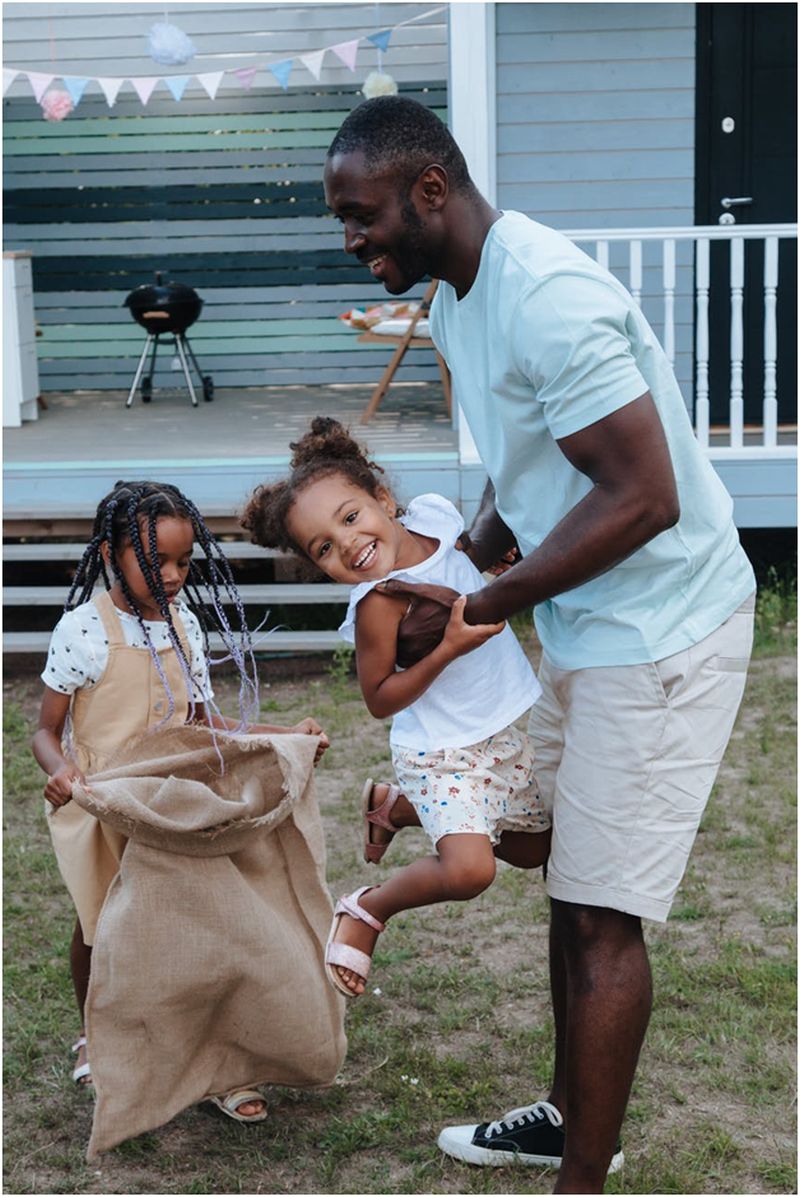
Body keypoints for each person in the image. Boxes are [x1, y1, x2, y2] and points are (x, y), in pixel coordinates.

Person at [322, 95, 756, 1192]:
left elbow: (641, 497)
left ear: (429, 191)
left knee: (603, 916)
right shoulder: (458, 298)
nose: (351, 240)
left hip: (658, 629)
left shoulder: (546, 295)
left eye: (359, 214)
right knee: (552, 867)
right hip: (581, 617)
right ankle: (568, 1119)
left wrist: (482, 606)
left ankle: (580, 1178)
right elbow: (524, 468)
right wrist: (456, 565)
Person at [32, 479, 329, 1123]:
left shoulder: (184, 623)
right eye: (156, 561)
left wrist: (284, 739)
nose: (173, 575)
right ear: (113, 556)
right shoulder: (82, 631)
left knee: (201, 928)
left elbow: (206, 722)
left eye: (183, 562)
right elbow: (43, 730)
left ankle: (216, 1062)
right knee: (103, 926)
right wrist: (60, 773)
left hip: (174, 798)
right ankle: (97, 1035)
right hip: (105, 802)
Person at [241, 416, 550, 999]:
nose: (349, 545)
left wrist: (487, 569)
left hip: (498, 730)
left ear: (384, 500)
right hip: (438, 749)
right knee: (469, 871)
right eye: (325, 548)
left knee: (536, 850)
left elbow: (457, 560)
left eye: (351, 517)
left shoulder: (435, 517)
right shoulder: (378, 604)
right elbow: (379, 698)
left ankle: (397, 809)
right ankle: (365, 909)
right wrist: (447, 650)